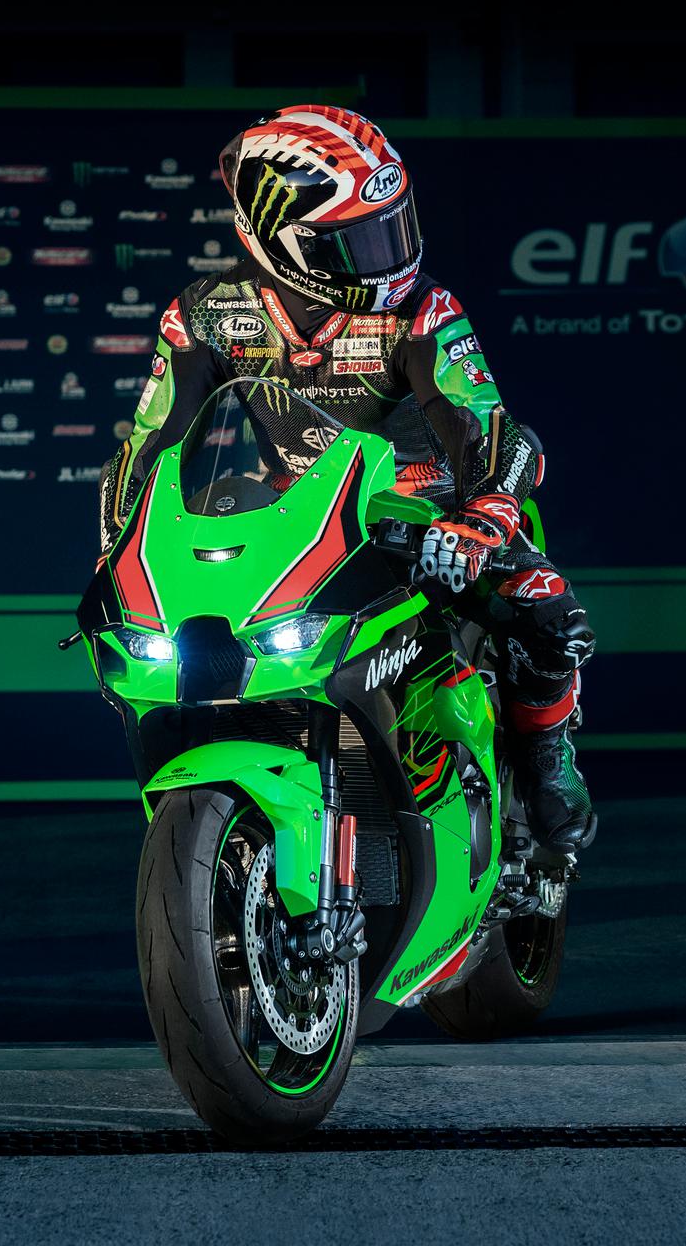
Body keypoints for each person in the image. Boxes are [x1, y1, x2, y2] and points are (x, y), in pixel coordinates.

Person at [97, 105, 596, 854]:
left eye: (390, 228)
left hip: (430, 515)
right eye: (357, 241)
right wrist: (121, 544)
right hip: (300, 524)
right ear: (277, 241)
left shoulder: (424, 311)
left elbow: (487, 426)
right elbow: (150, 444)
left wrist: (482, 517)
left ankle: (549, 758)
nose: (386, 256)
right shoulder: (203, 315)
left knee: (547, 609)